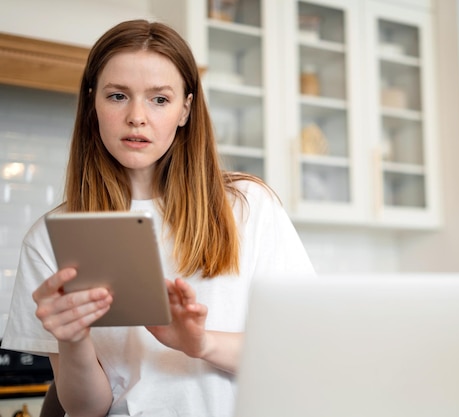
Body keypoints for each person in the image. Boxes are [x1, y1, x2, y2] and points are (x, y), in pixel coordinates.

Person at [1, 19, 315, 417]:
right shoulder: (51, 237)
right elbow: (86, 410)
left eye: (159, 99)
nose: (136, 116)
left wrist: (200, 344)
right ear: (92, 102)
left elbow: (300, 349)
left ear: (185, 109)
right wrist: (74, 339)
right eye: (117, 96)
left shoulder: (249, 207)